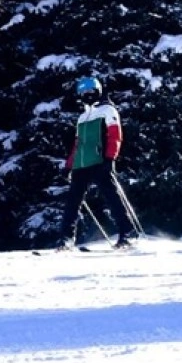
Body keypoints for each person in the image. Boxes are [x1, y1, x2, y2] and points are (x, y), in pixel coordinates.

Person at [56, 77, 136, 250]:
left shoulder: (108, 110)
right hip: (81, 164)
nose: (87, 96)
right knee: (73, 201)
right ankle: (66, 239)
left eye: (90, 92)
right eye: (83, 93)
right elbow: (78, 144)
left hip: (101, 161)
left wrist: (110, 157)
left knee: (112, 197)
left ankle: (127, 233)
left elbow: (115, 135)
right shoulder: (83, 117)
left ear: (98, 91)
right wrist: (69, 165)